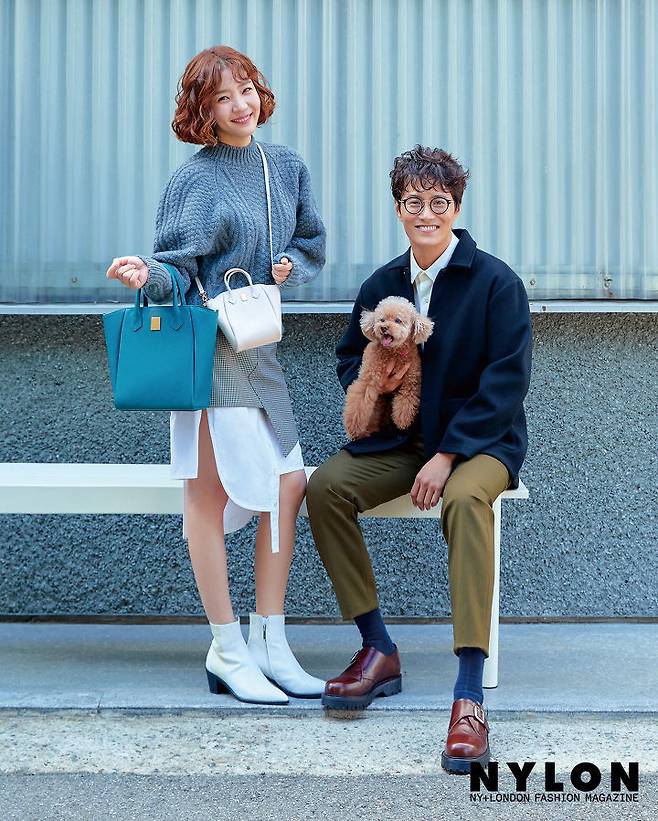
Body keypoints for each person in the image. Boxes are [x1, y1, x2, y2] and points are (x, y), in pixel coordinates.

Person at [105, 45, 326, 705]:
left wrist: (289, 265)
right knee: (207, 492)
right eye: (223, 97)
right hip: (209, 350)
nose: (241, 105)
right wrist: (147, 275)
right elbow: (175, 267)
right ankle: (227, 646)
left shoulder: (286, 166)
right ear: (203, 111)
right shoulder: (194, 181)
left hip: (260, 346)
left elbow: (312, 240)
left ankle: (270, 640)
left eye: (247, 89)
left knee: (287, 485)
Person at [306, 146, 532, 773]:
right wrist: (376, 388)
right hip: (400, 443)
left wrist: (449, 453)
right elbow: (350, 358)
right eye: (413, 202)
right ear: (399, 209)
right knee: (324, 488)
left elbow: (507, 382)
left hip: (481, 445)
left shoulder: (496, 282)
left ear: (456, 207)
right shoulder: (381, 285)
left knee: (464, 498)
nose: (425, 213)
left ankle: (468, 694)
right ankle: (377, 648)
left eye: (439, 202)